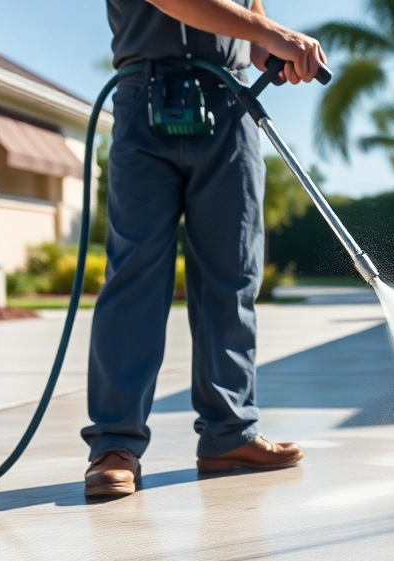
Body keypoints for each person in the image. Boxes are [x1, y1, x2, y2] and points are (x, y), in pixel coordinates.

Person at [84, 0, 327, 497]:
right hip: (144, 97)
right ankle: (115, 445)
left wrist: (267, 51)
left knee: (232, 275)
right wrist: (273, 32)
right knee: (136, 278)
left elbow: (249, 21)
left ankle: (229, 434)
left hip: (228, 97)